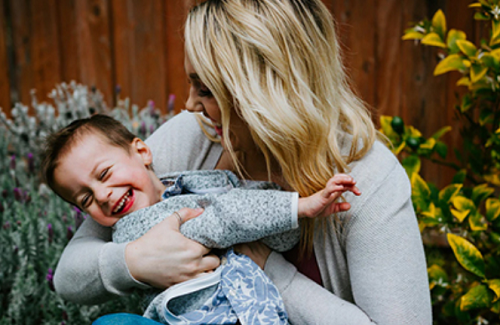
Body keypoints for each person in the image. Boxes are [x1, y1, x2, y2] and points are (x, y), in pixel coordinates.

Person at [54, 0, 433, 324]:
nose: (189, 104)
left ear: (266, 89)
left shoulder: (368, 178)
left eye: (206, 90)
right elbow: (70, 273)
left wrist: (266, 266)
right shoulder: (195, 135)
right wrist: (136, 261)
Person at [42, 114, 360, 324]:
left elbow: (273, 235)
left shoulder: (194, 183)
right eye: (86, 199)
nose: (102, 195)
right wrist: (299, 208)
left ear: (142, 151)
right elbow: (220, 221)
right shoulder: (134, 228)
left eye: (105, 174)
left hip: (251, 309)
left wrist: (287, 220)